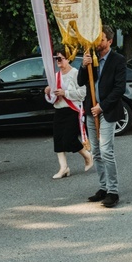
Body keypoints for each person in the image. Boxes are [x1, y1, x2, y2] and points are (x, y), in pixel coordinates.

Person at [78, 25, 126, 208]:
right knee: (96, 152)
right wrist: (84, 66)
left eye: (101, 39)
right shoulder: (92, 58)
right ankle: (103, 187)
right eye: (96, 39)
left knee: (106, 151)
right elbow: (81, 82)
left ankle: (113, 191)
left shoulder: (118, 60)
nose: (97, 43)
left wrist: (102, 107)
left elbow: (119, 88)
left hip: (108, 111)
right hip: (91, 110)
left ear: (110, 41)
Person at [44, 47, 93, 179]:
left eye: (60, 58)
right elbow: (52, 99)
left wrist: (65, 93)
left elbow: (82, 94)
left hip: (72, 110)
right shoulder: (55, 76)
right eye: (56, 59)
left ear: (68, 58)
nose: (57, 61)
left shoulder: (75, 73)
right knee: (58, 139)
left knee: (69, 139)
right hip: (59, 110)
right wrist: (48, 92)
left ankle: (88, 156)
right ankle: (63, 168)